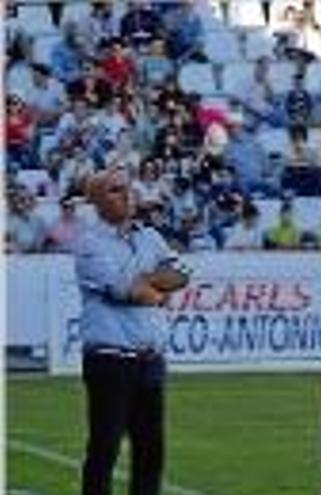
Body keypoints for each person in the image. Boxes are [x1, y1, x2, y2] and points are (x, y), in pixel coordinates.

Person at [73, 168, 190, 495]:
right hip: (110, 360)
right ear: (95, 201)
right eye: (114, 191)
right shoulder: (88, 244)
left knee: (151, 452)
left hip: (150, 359)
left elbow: (181, 274)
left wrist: (149, 284)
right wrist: (154, 286)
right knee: (105, 448)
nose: (126, 195)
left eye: (128, 189)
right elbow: (127, 290)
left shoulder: (150, 236)